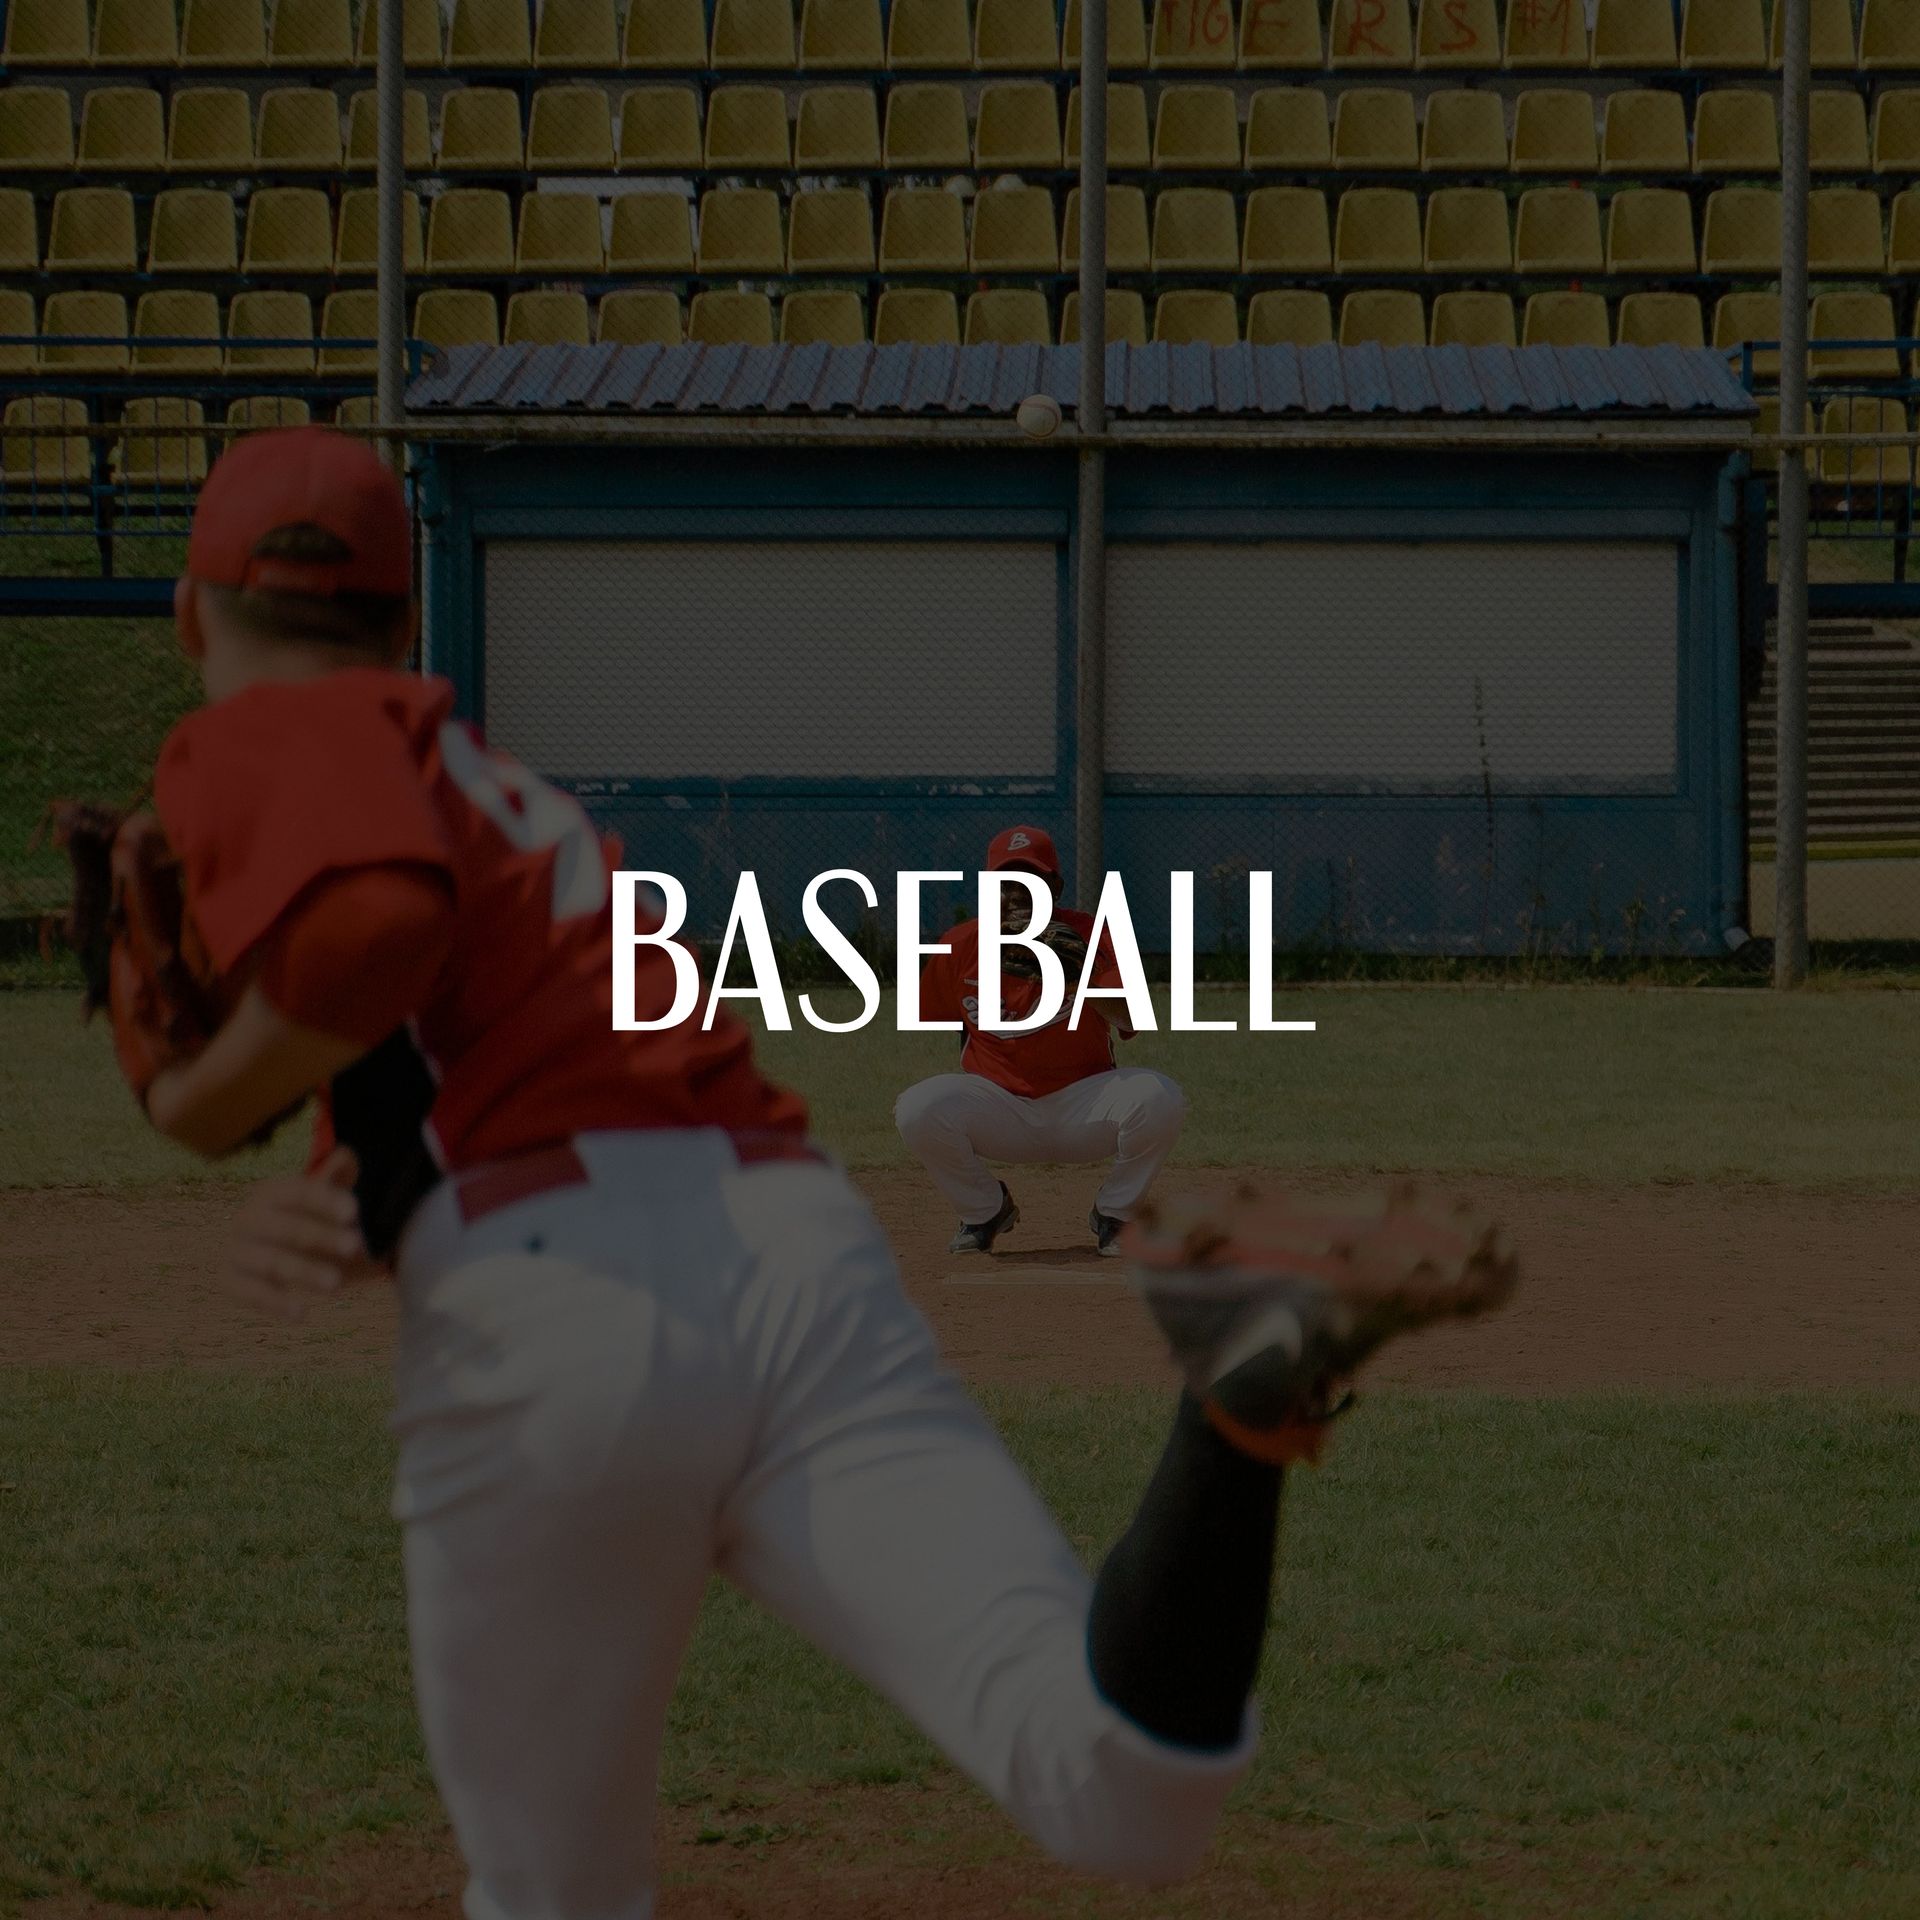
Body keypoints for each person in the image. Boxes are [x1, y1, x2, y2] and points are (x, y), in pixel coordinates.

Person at [144, 427, 1514, 1920]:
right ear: (410, 618)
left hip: (553, 1308)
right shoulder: (500, 797)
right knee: (1116, 1785)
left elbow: (374, 932)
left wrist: (196, 1100)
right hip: (788, 1240)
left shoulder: (290, 725)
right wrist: (368, 1194)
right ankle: (1234, 1411)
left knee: (552, 1895)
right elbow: (492, 1043)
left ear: (193, 614)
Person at [895, 825, 1185, 1257]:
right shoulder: (959, 945)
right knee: (917, 1107)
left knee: (1159, 1097)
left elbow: (1131, 1017)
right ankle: (983, 1210)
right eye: (1005, 883)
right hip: (1000, 1109)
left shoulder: (1095, 934)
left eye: (1031, 881)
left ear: (1056, 887)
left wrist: (1078, 975)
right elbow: (949, 1025)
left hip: (1084, 1105)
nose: (1017, 894)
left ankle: (1116, 1214)